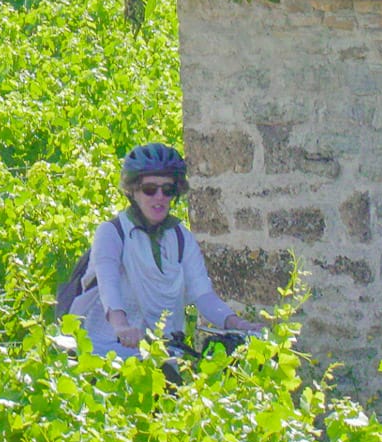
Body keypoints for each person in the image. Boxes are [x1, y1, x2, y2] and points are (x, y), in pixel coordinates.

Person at [67, 143, 265, 361]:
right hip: (105, 354)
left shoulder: (181, 237)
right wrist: (121, 327)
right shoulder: (112, 233)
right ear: (133, 191)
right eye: (150, 189)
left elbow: (203, 294)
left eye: (167, 189)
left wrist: (237, 324)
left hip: (161, 354)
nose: (159, 197)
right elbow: (108, 287)